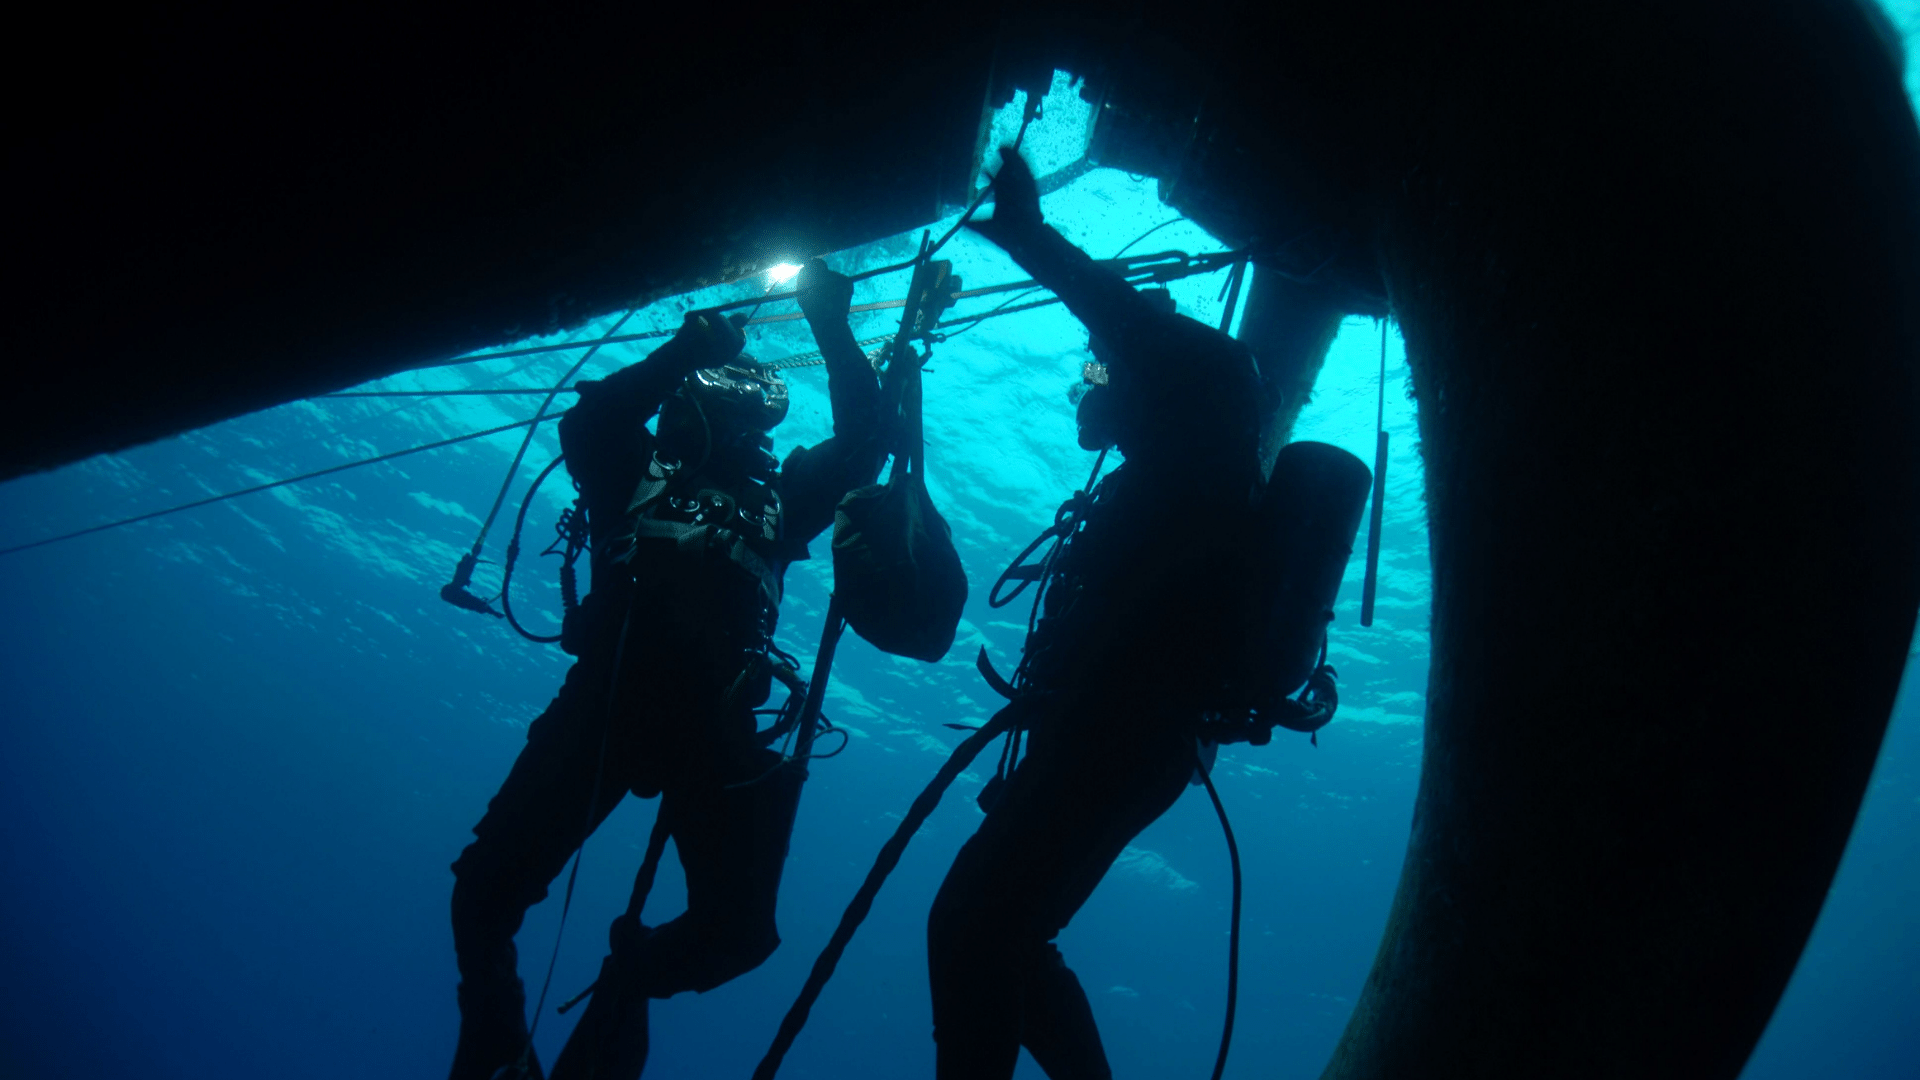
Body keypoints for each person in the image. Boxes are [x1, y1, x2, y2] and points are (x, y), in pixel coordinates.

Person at [448, 260, 885, 1080]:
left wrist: (831, 322)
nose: (742, 407)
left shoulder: (780, 501)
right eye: (725, 387)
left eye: (751, 395)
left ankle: (628, 981)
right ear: (686, 402)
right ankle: (500, 1049)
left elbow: (866, 445)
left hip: (713, 719)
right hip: (611, 700)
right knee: (482, 895)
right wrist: (684, 351)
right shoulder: (631, 470)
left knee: (739, 935)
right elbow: (590, 421)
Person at [925, 150, 1265, 1079]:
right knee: (1004, 932)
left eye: (1105, 372)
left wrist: (1028, 234)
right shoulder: (1187, 466)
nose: (1092, 386)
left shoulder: (1199, 416)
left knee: (973, 923)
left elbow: (1118, 316)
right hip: (1121, 734)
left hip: (1122, 730)